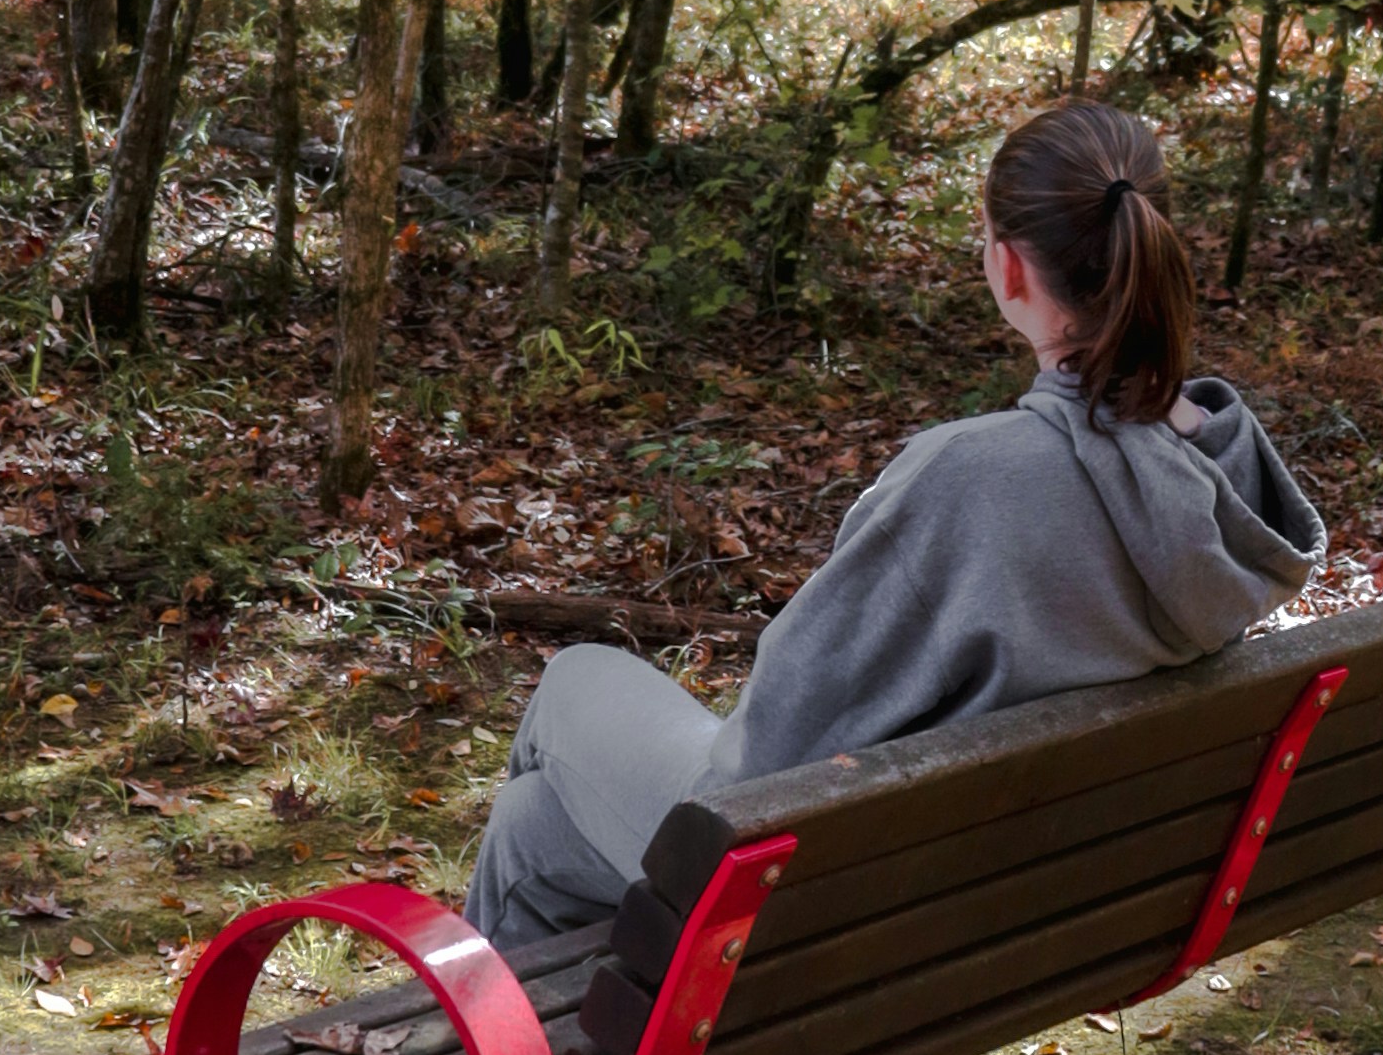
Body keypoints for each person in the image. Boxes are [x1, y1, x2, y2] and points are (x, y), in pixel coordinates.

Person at [464, 92, 1324, 987]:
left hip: (836, 908)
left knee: (572, 683)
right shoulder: (1216, 477)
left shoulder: (970, 480)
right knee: (533, 829)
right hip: (1041, 905)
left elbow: (763, 763)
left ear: (1007, 267)